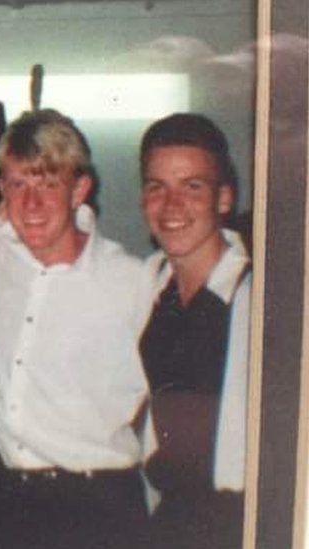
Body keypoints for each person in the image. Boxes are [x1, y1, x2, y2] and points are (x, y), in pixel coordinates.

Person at [0, 109, 151, 549]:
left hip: (98, 508)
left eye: (49, 184)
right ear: (2, 189)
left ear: (80, 189)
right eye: (19, 184)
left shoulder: (132, 281)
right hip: (11, 501)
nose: (31, 204)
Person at [138, 113, 250, 549]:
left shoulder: (260, 299)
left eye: (192, 186)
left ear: (224, 198)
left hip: (236, 523)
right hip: (168, 519)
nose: (171, 206)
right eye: (156, 187)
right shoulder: (148, 286)